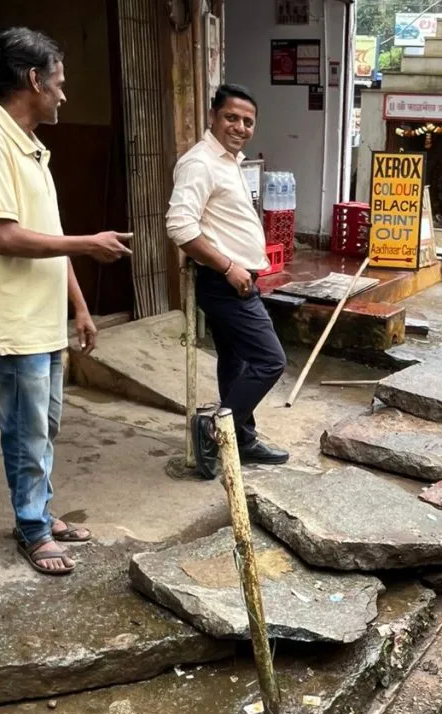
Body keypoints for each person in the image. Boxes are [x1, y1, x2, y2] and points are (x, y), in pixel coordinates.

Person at [0, 28, 133, 575]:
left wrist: (78, 304)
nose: (63, 95)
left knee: (44, 427)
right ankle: (33, 528)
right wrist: (89, 244)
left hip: (42, 319)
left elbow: (47, 236)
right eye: (58, 83)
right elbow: (6, 238)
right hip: (12, 322)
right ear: (33, 80)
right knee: (26, 433)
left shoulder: (28, 145)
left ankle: (40, 511)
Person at [166, 84, 288, 479]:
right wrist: (228, 268)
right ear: (213, 117)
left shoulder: (229, 161)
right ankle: (216, 428)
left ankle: (242, 439)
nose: (239, 127)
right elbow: (180, 226)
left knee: (235, 363)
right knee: (270, 361)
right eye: (231, 118)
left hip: (236, 279)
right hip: (226, 283)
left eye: (247, 121)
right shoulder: (200, 162)